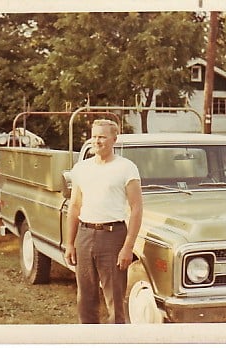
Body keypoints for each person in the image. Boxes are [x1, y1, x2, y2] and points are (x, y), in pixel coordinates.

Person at [64, 119, 143, 324]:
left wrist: (128, 247)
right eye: (95, 136)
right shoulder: (81, 168)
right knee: (85, 299)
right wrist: (70, 243)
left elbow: (136, 208)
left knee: (115, 302)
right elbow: (74, 207)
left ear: (114, 139)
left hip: (113, 236)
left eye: (103, 137)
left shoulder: (127, 168)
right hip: (84, 235)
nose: (97, 141)